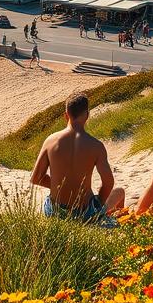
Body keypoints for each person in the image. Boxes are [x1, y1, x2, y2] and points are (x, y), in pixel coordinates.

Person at [31, 93, 125, 221]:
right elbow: (108, 182)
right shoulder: (96, 146)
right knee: (120, 192)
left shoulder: (50, 141)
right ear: (87, 115)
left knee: (50, 201)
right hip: (85, 213)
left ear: (66, 115)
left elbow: (36, 178)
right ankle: (117, 221)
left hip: (56, 213)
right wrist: (98, 204)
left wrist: (58, 187)